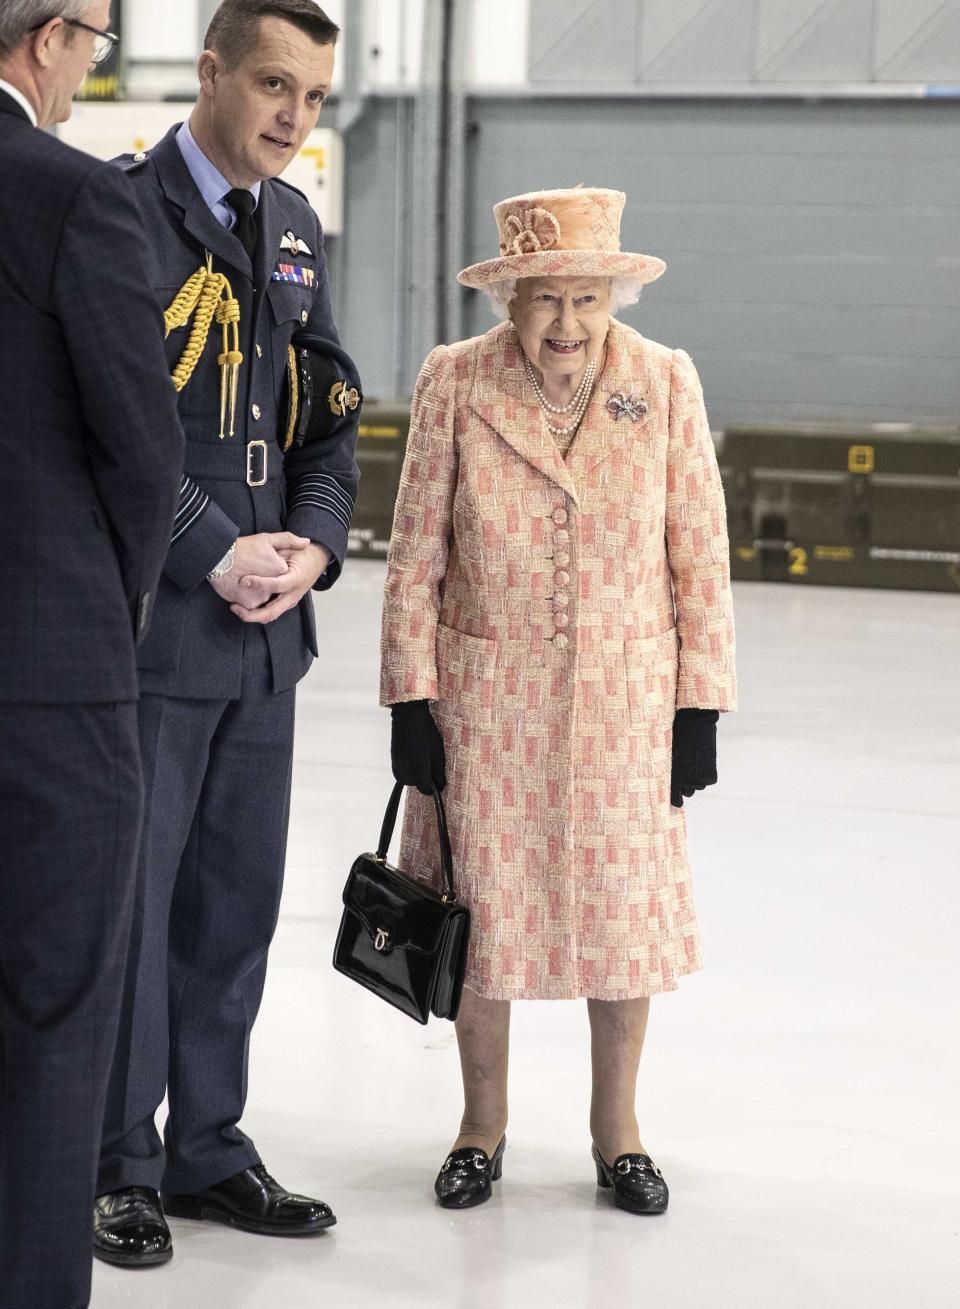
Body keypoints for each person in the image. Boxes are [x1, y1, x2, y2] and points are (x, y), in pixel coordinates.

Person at [381, 187, 736, 1214]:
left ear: (614, 292)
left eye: (586, 298)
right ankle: (480, 1128)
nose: (567, 325)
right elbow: (415, 556)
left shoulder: (664, 382)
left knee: (621, 922)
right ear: (511, 298)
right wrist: (413, 696)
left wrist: (699, 705)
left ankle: (616, 1133)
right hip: (487, 701)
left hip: (628, 701)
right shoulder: (456, 381)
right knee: (481, 921)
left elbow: (700, 554)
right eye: (545, 301)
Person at [92, 0, 360, 1269]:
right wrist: (217, 548)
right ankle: (117, 1164)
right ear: (207, 72)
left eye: (311, 98)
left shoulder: (296, 226)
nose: (292, 118)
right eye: (271, 85)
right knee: (135, 912)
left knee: (236, 907)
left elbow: (328, 407)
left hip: (266, 642)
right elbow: (118, 425)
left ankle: (209, 1148)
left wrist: (312, 538)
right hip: (161, 629)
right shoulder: (121, 212)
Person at [0, 2, 185, 1304]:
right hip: (46, 674)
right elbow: (144, 452)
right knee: (58, 1017)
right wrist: (99, 613)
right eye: (99, 41)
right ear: (48, 37)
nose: (94, 68)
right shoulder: (70, 197)